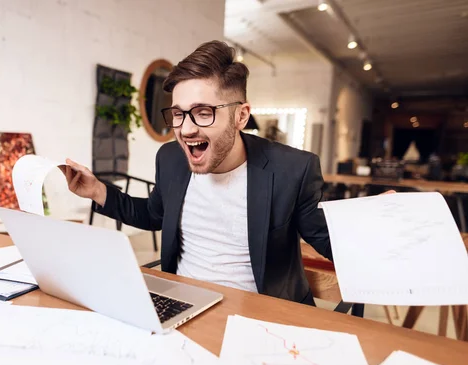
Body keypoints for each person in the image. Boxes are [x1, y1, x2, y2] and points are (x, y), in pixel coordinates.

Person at [63, 40, 332, 306]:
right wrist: (98, 191)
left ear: (241, 116)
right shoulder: (170, 158)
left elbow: (332, 243)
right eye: (178, 114)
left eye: (203, 113)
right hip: (181, 304)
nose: (186, 129)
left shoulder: (292, 170)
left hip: (260, 318)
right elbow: (153, 214)